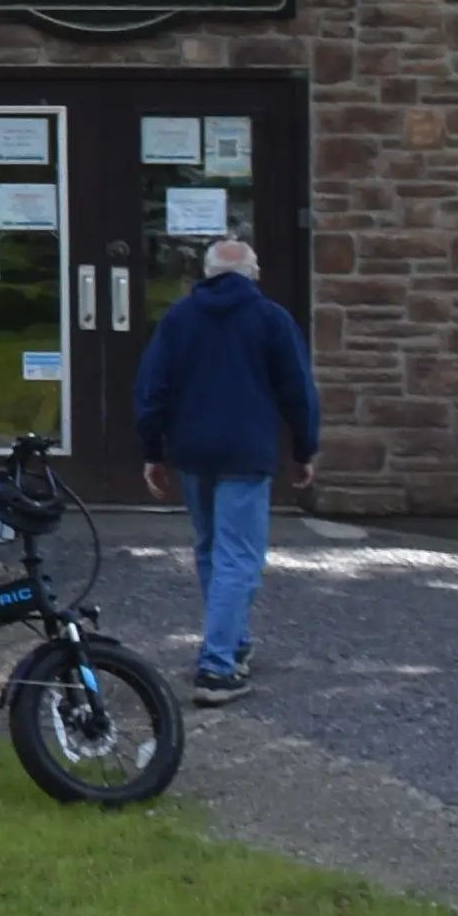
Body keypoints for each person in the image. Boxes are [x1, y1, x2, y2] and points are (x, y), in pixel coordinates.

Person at [129, 231, 318, 702]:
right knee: (239, 558)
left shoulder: (178, 319)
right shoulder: (271, 320)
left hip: (193, 452)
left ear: (207, 275)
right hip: (247, 454)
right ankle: (216, 667)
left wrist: (153, 451)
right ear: (253, 275)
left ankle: (232, 642)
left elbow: (152, 392)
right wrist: (304, 450)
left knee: (213, 550)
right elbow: (299, 392)